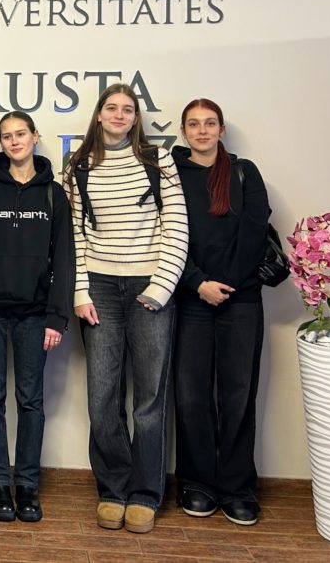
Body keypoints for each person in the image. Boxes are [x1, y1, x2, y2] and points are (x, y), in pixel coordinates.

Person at [62, 83, 188, 534]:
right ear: (99, 115)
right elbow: (74, 235)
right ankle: (113, 489)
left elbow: (176, 226)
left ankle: (145, 493)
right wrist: (80, 293)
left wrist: (161, 287)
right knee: (103, 397)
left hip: (149, 288)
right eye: (112, 108)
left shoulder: (158, 161)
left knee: (150, 400)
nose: (119, 115)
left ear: (136, 118)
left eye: (128, 109)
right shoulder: (78, 166)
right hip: (99, 288)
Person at [0, 111, 74, 523]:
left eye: (20, 134)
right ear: (1, 143)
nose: (14, 141)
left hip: (35, 315)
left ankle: (26, 486)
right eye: (6, 136)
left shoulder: (53, 194)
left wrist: (57, 317)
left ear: (34, 136)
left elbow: (65, 258)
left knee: (31, 400)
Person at [172, 99, 271, 526]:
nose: (202, 130)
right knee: (191, 395)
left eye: (210, 123)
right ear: (184, 131)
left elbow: (255, 229)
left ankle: (237, 488)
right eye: (194, 124)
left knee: (238, 394)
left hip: (241, 300)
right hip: (191, 299)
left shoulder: (244, 172)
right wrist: (199, 283)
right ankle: (197, 483)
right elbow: (167, 234)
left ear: (221, 129)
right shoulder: (172, 175)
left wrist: (224, 284)